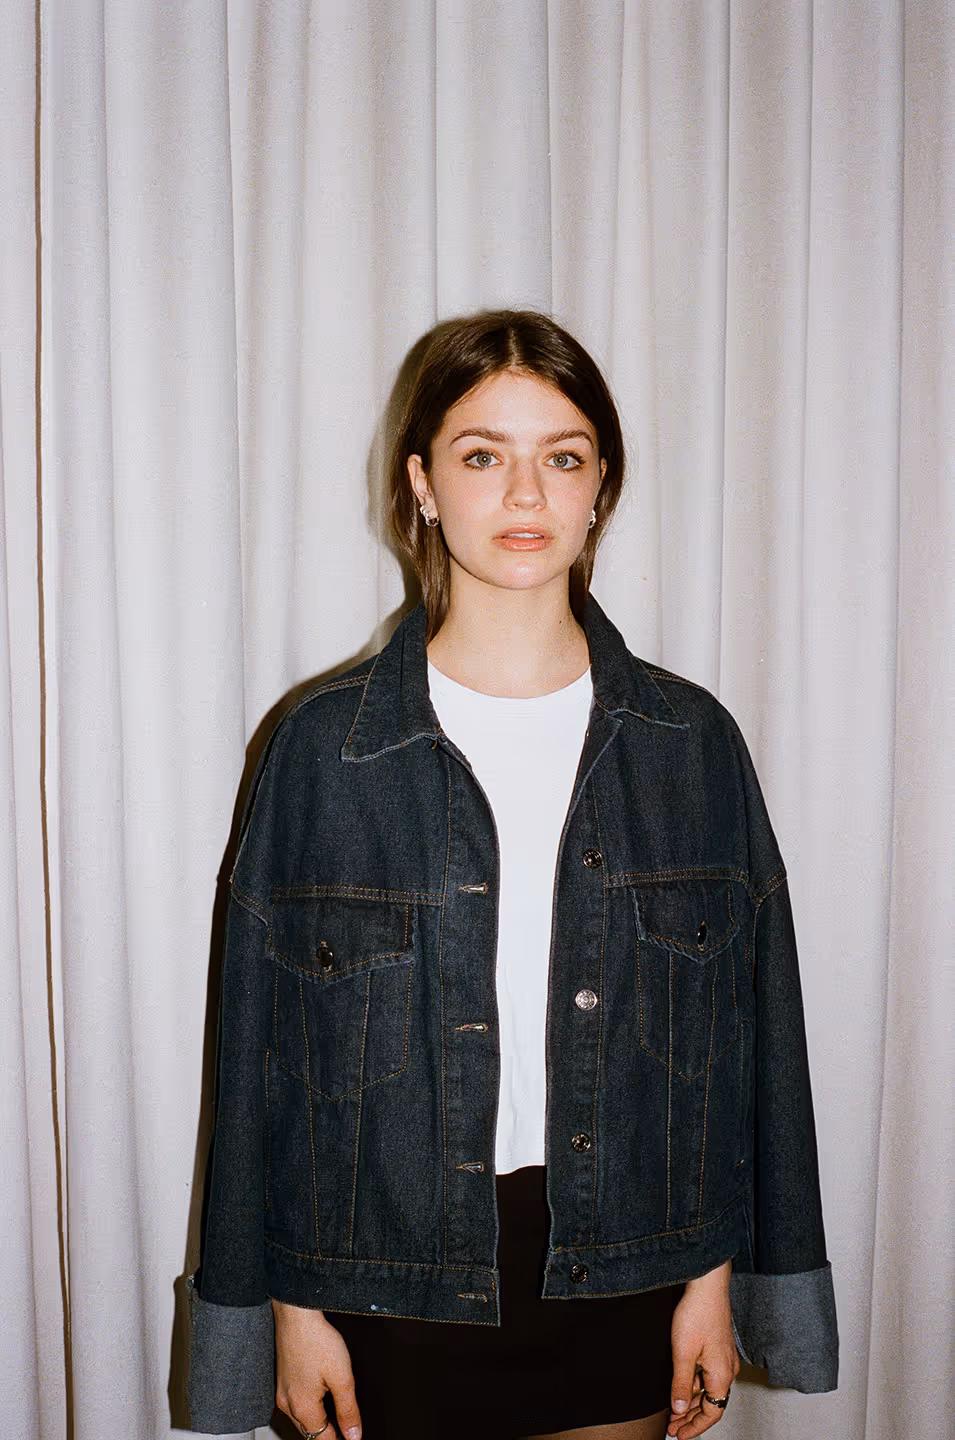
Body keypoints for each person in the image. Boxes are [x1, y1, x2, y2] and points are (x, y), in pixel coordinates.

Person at [188, 311, 838, 1440]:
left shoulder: (690, 745)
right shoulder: (322, 749)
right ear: (423, 485)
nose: (526, 496)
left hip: (625, 1265)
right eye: (483, 455)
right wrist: (284, 1306)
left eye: (564, 457)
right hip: (384, 1277)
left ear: (601, 490)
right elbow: (259, 1066)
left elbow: (750, 1045)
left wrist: (712, 1275)